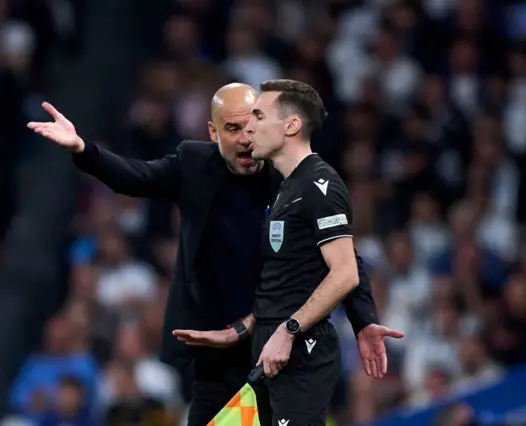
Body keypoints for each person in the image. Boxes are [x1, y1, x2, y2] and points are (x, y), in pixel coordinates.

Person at [26, 83, 402, 425]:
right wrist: (83, 149)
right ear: (213, 132)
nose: (244, 139)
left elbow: (342, 255)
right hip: (215, 352)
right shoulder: (193, 163)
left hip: (277, 346)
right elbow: (135, 176)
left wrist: (363, 320)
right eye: (232, 129)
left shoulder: (289, 176)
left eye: (250, 125)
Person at [250, 79, 373, 425]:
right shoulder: (287, 187)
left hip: (299, 348)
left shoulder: (320, 185)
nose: (249, 126)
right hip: (270, 345)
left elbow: (345, 271)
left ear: (291, 125)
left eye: (259, 116)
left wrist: (288, 330)